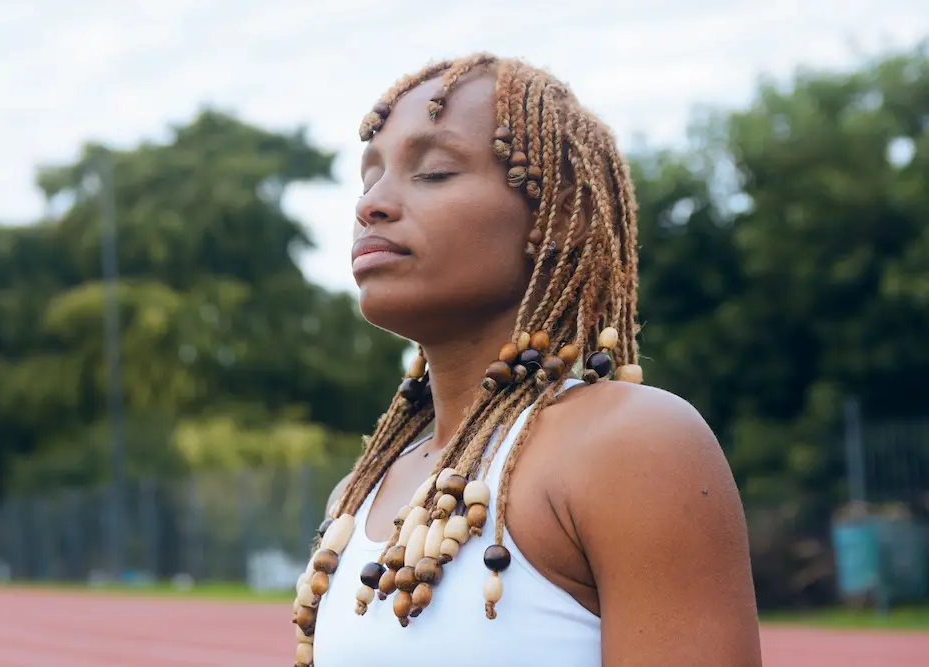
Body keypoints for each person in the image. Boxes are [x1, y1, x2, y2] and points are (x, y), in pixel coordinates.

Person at [292, 53, 762, 667]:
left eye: (433, 171)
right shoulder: (357, 496)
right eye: (368, 179)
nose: (370, 205)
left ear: (563, 216)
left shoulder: (631, 444)